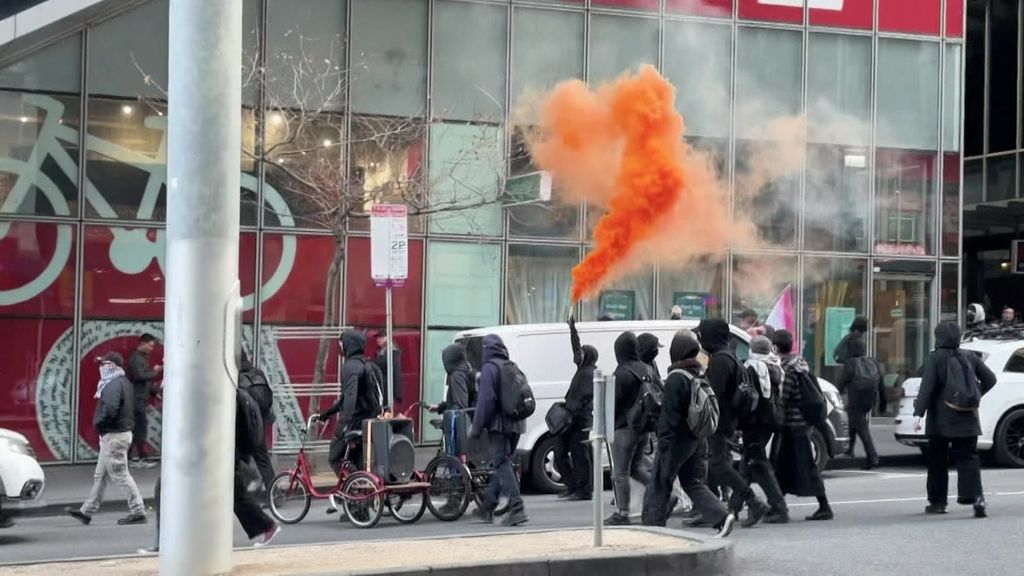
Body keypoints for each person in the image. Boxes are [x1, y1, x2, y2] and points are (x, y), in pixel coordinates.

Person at [642, 329, 736, 538]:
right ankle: (721, 515)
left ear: (677, 351)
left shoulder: (676, 377)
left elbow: (671, 416)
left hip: (676, 441)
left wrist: (663, 439)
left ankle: (652, 528)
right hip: (696, 439)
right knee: (692, 482)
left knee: (659, 482)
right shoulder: (698, 372)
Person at [914, 321, 997, 518]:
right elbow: (990, 379)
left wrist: (918, 413)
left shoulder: (935, 358)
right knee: (968, 459)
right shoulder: (970, 356)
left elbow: (927, 387)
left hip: (941, 420)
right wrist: (974, 395)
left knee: (938, 462)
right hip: (968, 417)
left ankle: (938, 503)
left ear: (938, 337)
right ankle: (976, 498)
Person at [696, 318, 769, 526]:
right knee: (716, 464)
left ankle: (753, 501)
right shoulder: (728, 356)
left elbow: (715, 395)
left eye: (702, 335)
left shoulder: (720, 360)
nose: (699, 339)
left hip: (719, 422)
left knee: (718, 465)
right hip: (726, 421)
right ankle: (715, 509)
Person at [66, 352, 147, 526]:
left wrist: (99, 424)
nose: (101, 368)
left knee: (121, 475)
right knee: (100, 476)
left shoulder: (112, 384)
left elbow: (110, 409)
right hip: (118, 434)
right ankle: (86, 512)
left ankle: (138, 510)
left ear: (112, 366)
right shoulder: (124, 383)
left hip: (114, 435)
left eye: (104, 364)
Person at [773, 330, 833, 522]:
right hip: (801, 425)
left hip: (794, 425)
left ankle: (824, 507)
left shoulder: (788, 370)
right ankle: (777, 504)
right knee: (784, 466)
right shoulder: (799, 365)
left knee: (805, 467)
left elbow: (784, 396)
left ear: (775, 347)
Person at [470, 334, 528, 527]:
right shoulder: (511, 365)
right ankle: (489, 505)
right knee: (502, 464)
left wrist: (476, 428)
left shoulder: (490, 368)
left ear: (486, 349)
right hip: (517, 423)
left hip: (500, 426)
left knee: (501, 463)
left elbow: (485, 401)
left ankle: (517, 508)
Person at [605, 331, 654, 526]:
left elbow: (613, 403)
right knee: (636, 468)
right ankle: (663, 495)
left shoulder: (622, 372)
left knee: (621, 473)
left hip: (625, 428)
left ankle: (623, 513)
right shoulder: (645, 368)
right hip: (643, 427)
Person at [318, 330, 383, 474]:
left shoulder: (350, 366)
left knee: (334, 457)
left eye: (342, 342)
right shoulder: (367, 364)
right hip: (368, 422)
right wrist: (328, 413)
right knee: (357, 460)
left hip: (354, 421)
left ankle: (351, 488)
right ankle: (361, 490)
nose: (340, 346)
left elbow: (350, 397)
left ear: (350, 344)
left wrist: (343, 426)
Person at [739, 335, 787, 525]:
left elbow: (749, 397)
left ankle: (778, 507)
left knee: (757, 462)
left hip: (756, 421)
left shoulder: (752, 367)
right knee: (748, 463)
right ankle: (733, 508)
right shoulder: (775, 365)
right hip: (771, 419)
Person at [234, 376, 282, 547]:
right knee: (235, 493)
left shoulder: (230, 389)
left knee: (235, 494)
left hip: (228, 450)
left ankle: (267, 525)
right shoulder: (253, 376)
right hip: (256, 431)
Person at [554, 316, 597, 501]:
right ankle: (572, 486)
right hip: (569, 419)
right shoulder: (582, 368)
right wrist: (572, 330)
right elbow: (576, 347)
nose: (578, 355)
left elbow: (584, 399)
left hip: (579, 421)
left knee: (581, 456)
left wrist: (571, 411)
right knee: (560, 452)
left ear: (587, 357)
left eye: (582, 353)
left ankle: (584, 490)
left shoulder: (589, 373)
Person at [838, 338, 886, 469]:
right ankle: (849, 450)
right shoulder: (873, 362)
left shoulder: (851, 363)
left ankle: (873, 457)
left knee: (862, 428)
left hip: (856, 399)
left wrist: (837, 393)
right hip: (870, 400)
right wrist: (883, 404)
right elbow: (881, 384)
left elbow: (841, 383)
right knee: (854, 421)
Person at [239, 354, 276, 491]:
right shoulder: (258, 373)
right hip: (262, 421)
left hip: (245, 425)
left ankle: (245, 490)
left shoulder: (235, 377)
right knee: (263, 460)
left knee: (239, 458)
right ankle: (274, 495)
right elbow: (269, 396)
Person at [127, 334, 161, 466]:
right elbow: (140, 376)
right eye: (150, 345)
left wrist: (156, 391)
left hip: (140, 398)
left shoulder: (141, 358)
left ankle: (137, 455)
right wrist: (155, 371)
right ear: (142, 343)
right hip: (137, 399)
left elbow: (144, 380)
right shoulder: (136, 359)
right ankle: (139, 456)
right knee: (139, 427)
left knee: (138, 427)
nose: (152, 348)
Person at [432, 344, 476, 413]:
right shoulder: (467, 369)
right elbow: (458, 399)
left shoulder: (457, 375)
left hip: (459, 420)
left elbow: (460, 405)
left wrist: (449, 416)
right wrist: (441, 407)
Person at [374, 330, 403, 408]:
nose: (379, 339)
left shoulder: (391, 351)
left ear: (388, 338)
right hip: (382, 386)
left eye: (382, 337)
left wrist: (397, 393)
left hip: (387, 387)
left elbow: (395, 371)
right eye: (378, 338)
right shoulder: (381, 350)